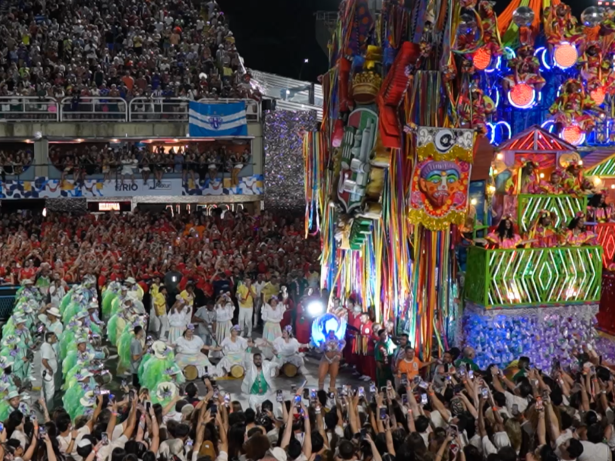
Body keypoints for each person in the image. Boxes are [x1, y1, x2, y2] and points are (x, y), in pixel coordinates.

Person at [40, 332, 58, 406]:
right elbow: (44, 361)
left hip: (44, 372)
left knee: (44, 391)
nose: (55, 339)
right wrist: (50, 369)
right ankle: (49, 409)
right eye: (54, 337)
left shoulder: (46, 345)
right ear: (49, 339)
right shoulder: (47, 348)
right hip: (48, 373)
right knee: (50, 392)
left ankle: (43, 407)